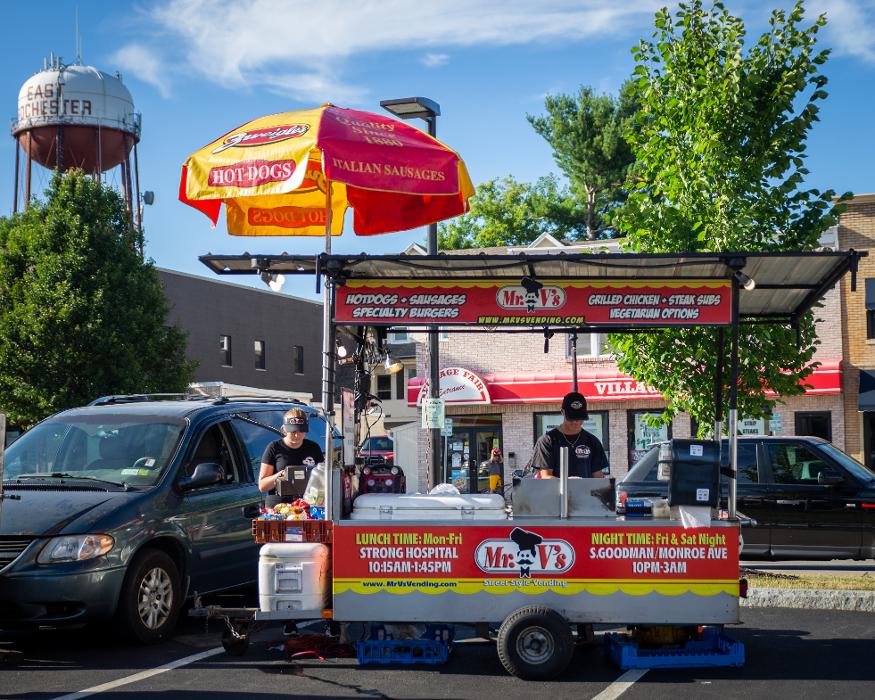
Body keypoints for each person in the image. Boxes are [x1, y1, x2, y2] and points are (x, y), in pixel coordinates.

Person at [531, 392, 608, 478]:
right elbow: (546, 476)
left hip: (586, 491)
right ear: (562, 412)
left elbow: (598, 477)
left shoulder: (593, 442)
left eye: (580, 417)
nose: (576, 421)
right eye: (572, 418)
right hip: (556, 491)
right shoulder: (547, 441)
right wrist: (569, 483)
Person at [258, 408, 324, 503]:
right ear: (284, 429)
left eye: (300, 431)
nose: (297, 435)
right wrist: (281, 475)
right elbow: (262, 486)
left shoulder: (313, 448)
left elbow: (322, 479)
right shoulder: (274, 448)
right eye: (293, 432)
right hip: (279, 505)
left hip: (307, 502)